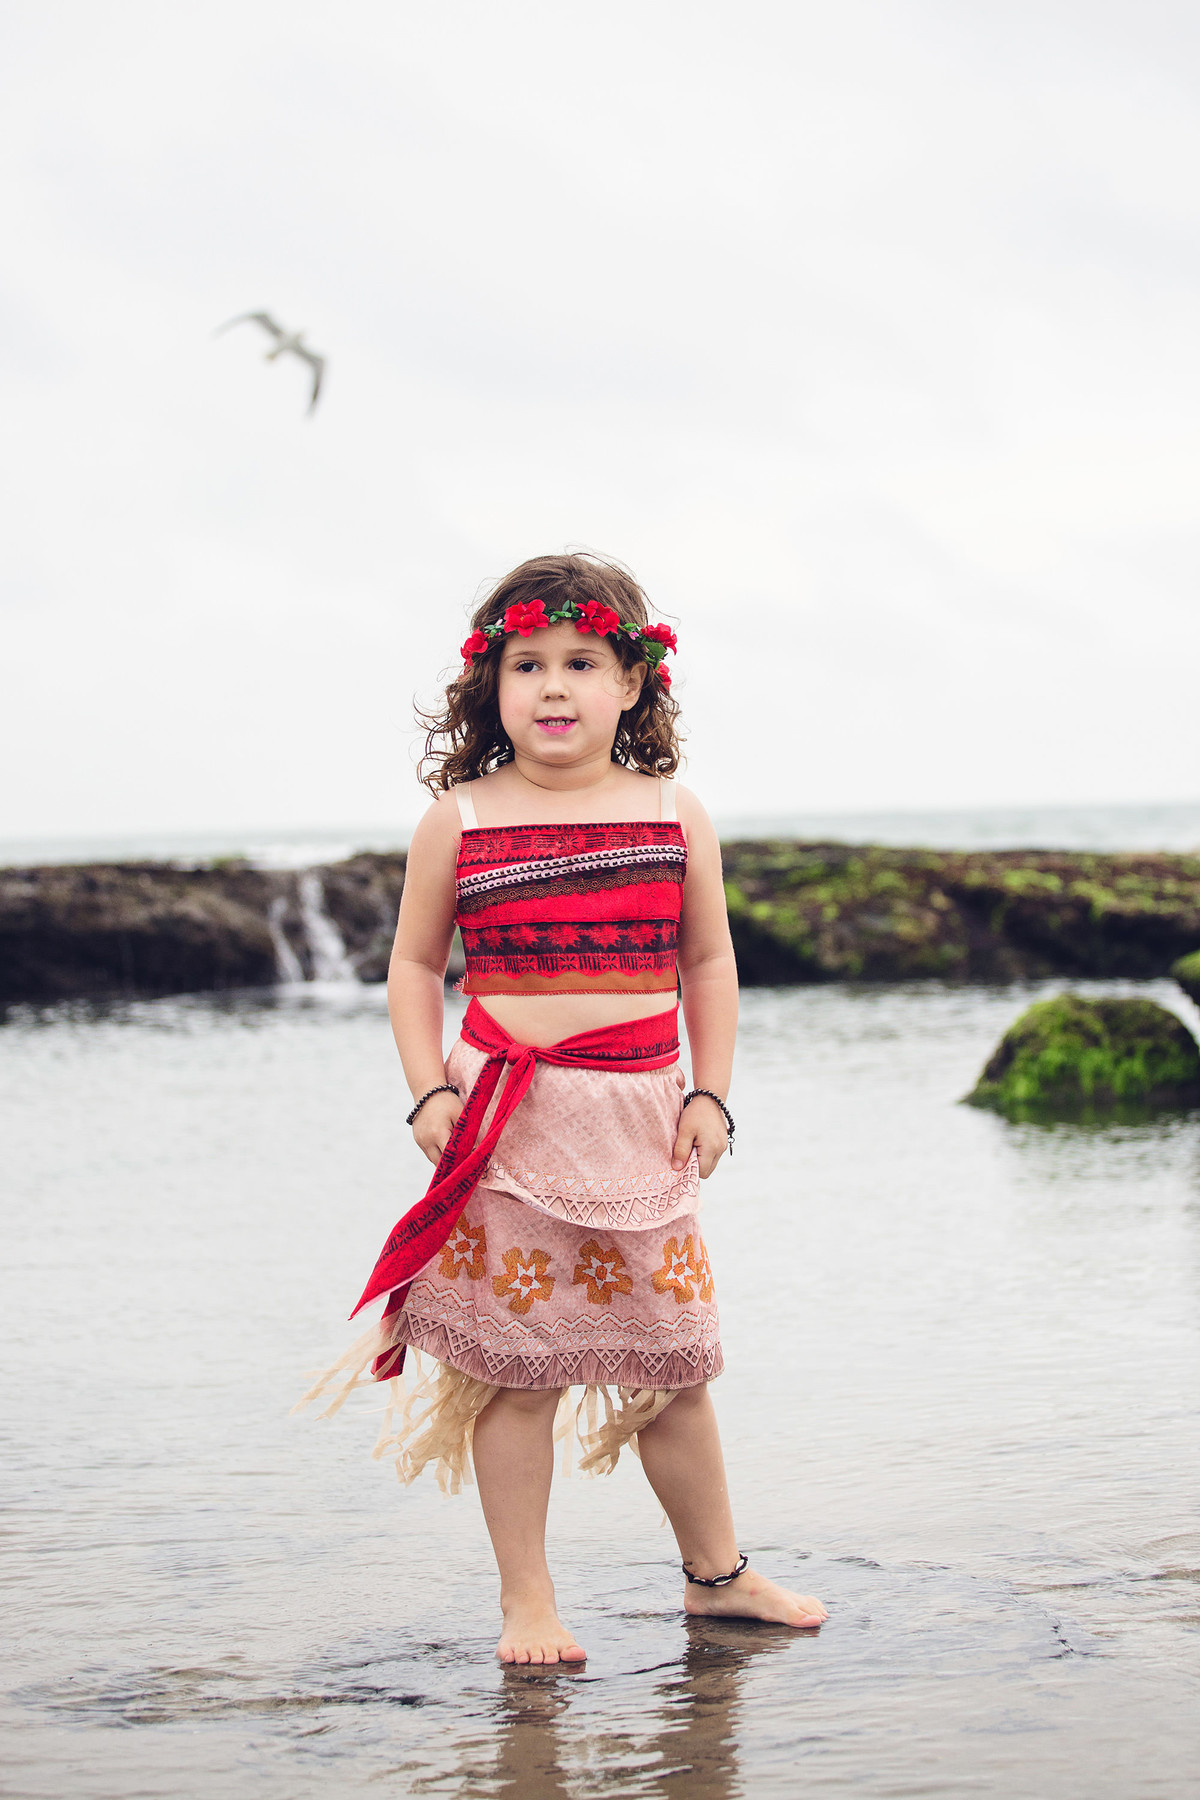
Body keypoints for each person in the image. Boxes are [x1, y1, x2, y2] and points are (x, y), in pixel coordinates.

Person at [300, 552, 827, 1663]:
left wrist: (712, 1094)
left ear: (632, 682)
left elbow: (709, 962)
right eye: (526, 663)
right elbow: (412, 966)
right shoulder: (460, 817)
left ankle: (718, 1575)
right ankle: (527, 1602)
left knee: (675, 1367)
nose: (552, 686)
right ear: (489, 685)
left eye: (581, 662)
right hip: (508, 1126)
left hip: (641, 1122)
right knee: (517, 1376)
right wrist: (427, 1088)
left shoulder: (673, 812)